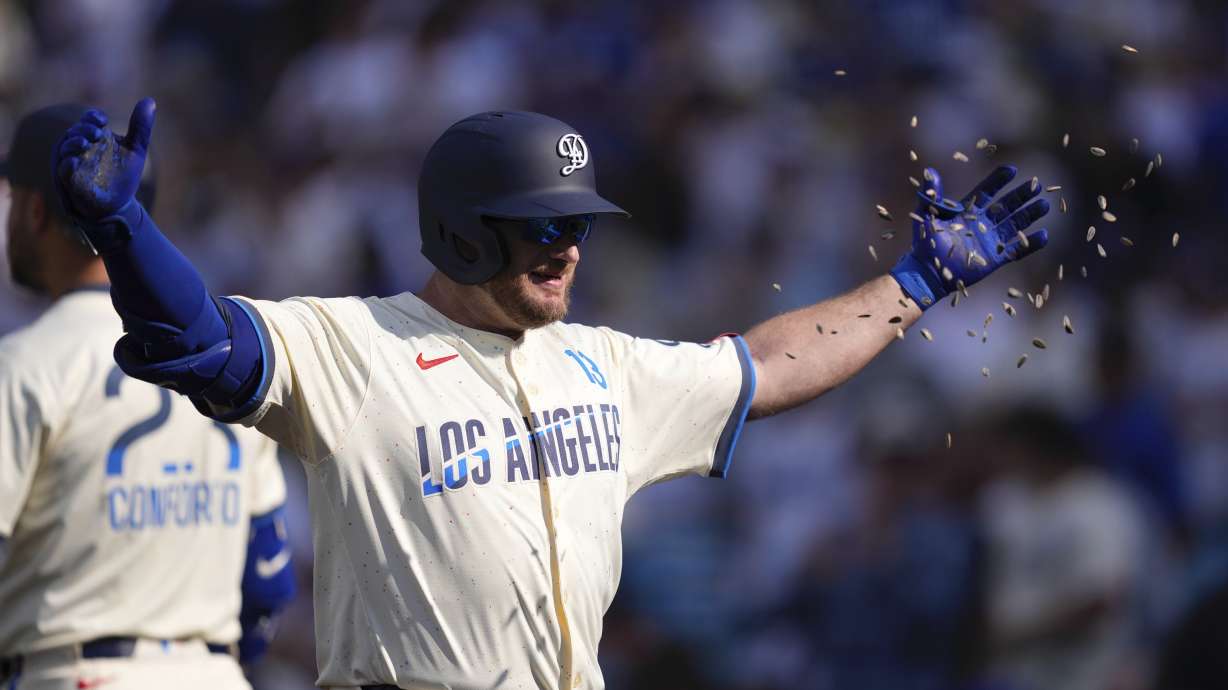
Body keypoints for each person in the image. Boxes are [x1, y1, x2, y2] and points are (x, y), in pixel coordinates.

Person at [49, 98, 1050, 690]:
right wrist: (125, 233)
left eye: (575, 224)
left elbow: (767, 366)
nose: (566, 246)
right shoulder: (354, 346)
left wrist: (911, 286)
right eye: (538, 224)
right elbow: (199, 341)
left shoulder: (598, 364)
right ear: (459, 230)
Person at [0, 104, 296, 690]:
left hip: (72, 672)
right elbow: (266, 582)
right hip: (213, 674)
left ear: (35, 210)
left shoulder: (23, 363)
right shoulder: (225, 359)